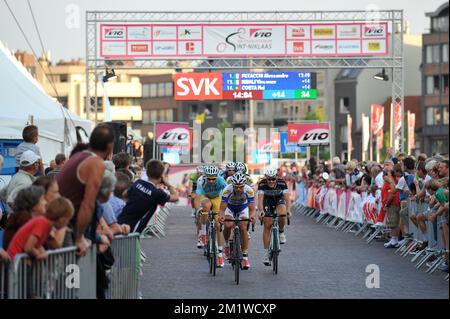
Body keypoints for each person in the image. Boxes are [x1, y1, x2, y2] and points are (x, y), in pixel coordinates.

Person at [57, 124, 114, 257]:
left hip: (60, 222)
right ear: (110, 146)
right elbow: (88, 204)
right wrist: (79, 238)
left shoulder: (79, 156)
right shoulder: (95, 163)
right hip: (66, 225)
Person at [117, 160, 179, 233]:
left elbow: (124, 194)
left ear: (147, 173)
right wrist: (167, 184)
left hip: (120, 220)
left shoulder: (138, 183)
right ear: (161, 175)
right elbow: (175, 197)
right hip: (134, 227)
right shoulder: (157, 193)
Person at [7, 197, 73, 261]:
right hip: (15, 262)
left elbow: (37, 244)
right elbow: (28, 248)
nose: (67, 223)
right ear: (62, 220)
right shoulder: (42, 223)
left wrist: (42, 250)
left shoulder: (46, 224)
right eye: (68, 220)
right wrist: (39, 254)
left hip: (20, 262)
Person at [219, 172, 256, 270]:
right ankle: (227, 244)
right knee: (227, 225)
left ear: (244, 185)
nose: (238, 189)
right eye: (236, 187)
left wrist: (252, 216)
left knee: (243, 227)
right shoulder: (227, 190)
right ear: (232, 185)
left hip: (242, 208)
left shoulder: (249, 190)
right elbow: (222, 208)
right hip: (230, 207)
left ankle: (245, 256)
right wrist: (222, 216)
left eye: (241, 187)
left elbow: (252, 208)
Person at [258, 168, 291, 265]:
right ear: (266, 178)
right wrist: (261, 211)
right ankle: (266, 253)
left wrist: (288, 210)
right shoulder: (262, 184)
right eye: (269, 179)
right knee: (267, 225)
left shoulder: (282, 183)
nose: (271, 181)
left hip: (278, 200)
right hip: (267, 201)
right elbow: (260, 200)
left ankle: (281, 232)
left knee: (282, 213)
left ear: (277, 178)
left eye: (273, 179)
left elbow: (287, 199)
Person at [193, 165, 227, 259]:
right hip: (205, 197)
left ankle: (220, 253)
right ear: (205, 177)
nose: (211, 181)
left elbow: (227, 194)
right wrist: (198, 209)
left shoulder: (221, 180)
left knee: (219, 224)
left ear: (217, 177)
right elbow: (197, 198)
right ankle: (203, 233)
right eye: (209, 179)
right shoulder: (201, 181)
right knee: (206, 207)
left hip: (217, 198)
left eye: (213, 179)